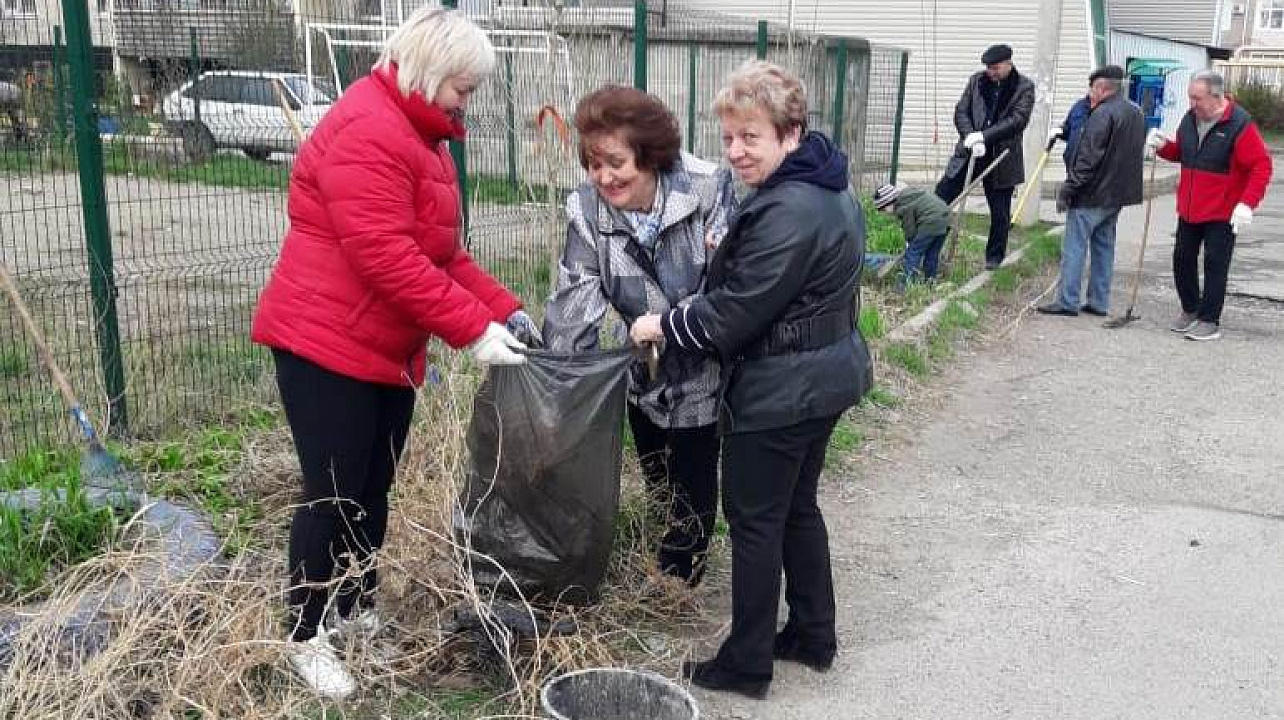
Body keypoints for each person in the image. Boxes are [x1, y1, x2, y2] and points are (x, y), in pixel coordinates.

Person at [250, 7, 538, 699]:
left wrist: (503, 309)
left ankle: (355, 610)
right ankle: (305, 635)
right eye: (463, 87)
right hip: (324, 345)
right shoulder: (368, 128)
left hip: (384, 348)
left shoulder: (421, 137)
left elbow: (441, 256)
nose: (466, 101)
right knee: (332, 494)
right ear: (432, 70)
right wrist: (471, 331)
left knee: (372, 488)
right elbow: (385, 256)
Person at [631, 61, 873, 699]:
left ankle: (746, 662)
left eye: (751, 137)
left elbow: (732, 316)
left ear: (790, 133)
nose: (736, 151)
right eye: (729, 137)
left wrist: (663, 324)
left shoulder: (785, 209)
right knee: (796, 507)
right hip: (827, 376)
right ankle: (813, 634)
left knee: (755, 520)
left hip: (782, 390)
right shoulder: (827, 184)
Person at [541, 85, 733, 586]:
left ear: (650, 155)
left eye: (616, 163)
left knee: (693, 469)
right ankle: (663, 545)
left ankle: (682, 575)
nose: (604, 177)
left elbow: (726, 289)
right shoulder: (587, 208)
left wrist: (667, 327)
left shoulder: (706, 188)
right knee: (655, 468)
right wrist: (573, 381)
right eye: (593, 164)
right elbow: (575, 300)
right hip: (635, 367)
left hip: (701, 363)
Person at [1148, 69, 1274, 341]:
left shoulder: (1239, 124)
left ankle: (1209, 320)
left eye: (1197, 98)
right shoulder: (1189, 119)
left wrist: (1247, 204)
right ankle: (1191, 308)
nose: (1192, 104)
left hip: (1223, 211)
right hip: (1190, 207)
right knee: (1182, 259)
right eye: (1190, 97)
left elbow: (1261, 166)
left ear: (1216, 97)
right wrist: (1163, 146)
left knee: (1215, 264)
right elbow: (1184, 153)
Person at [1038, 65, 1146, 317]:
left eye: (1092, 88)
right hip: (1117, 194)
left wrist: (1069, 188)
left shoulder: (1101, 114)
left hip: (1091, 193)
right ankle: (1099, 301)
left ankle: (1067, 301)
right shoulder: (1135, 112)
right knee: (1104, 247)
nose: (1090, 94)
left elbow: (1087, 158)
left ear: (1101, 88)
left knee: (1074, 247)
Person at [935, 43, 1035, 270]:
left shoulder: (1023, 87)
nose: (990, 72)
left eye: (995, 68)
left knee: (1000, 214)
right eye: (988, 68)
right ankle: (931, 250)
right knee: (940, 201)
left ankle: (993, 261)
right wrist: (970, 136)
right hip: (968, 154)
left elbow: (1017, 120)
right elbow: (961, 111)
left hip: (1001, 160)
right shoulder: (976, 81)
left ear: (1008, 64)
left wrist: (984, 137)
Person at [873, 182, 951, 287]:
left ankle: (906, 285)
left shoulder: (902, 207)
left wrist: (910, 244)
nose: (884, 213)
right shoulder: (909, 195)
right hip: (945, 219)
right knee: (932, 255)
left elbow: (910, 229)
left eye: (883, 209)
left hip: (930, 221)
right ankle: (930, 282)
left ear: (889, 202)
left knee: (912, 254)